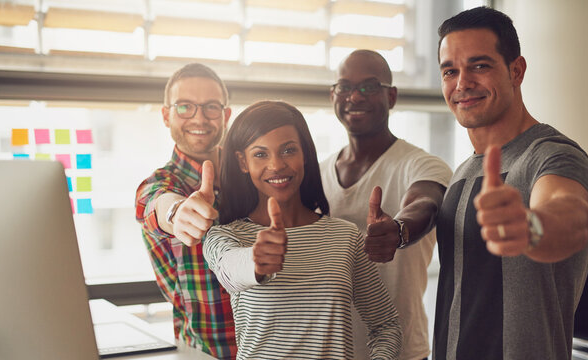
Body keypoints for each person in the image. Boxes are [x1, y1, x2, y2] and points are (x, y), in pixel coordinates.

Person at [434, 7, 588, 360]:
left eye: (479, 66)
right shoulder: (463, 171)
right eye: (450, 71)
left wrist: (531, 226)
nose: (462, 83)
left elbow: (569, 214)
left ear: (516, 70)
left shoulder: (554, 155)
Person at [203, 100, 403, 360]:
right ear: (243, 162)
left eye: (288, 150)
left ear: (305, 154)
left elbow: (386, 325)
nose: (276, 165)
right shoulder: (226, 236)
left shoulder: (346, 236)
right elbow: (229, 271)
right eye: (260, 154)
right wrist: (257, 261)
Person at [320, 49, 452, 360]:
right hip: (329, 351)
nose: (355, 97)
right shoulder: (315, 173)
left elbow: (426, 202)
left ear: (391, 96)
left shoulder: (423, 165)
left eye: (368, 86)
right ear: (333, 95)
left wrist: (399, 230)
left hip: (400, 352)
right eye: (345, 87)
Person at [135, 63, 236, 359]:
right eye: (185, 107)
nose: (199, 118)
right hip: (205, 354)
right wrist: (177, 213)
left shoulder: (251, 176)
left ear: (226, 115)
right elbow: (154, 204)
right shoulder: (159, 184)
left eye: (211, 107)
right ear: (166, 115)